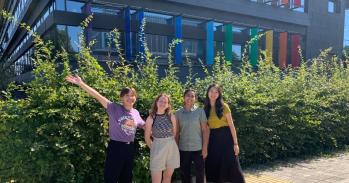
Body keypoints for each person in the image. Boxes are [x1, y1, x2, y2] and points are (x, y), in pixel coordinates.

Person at [65, 75, 145, 183]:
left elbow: (144, 125)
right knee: (111, 177)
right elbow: (97, 96)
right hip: (116, 146)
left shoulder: (136, 113)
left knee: (126, 178)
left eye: (132, 95)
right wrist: (81, 83)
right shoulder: (114, 108)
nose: (130, 98)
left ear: (135, 98)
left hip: (130, 148)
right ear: (121, 98)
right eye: (127, 95)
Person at [204, 84, 245, 183]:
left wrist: (235, 144)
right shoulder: (205, 108)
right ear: (207, 93)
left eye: (216, 92)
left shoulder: (224, 106)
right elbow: (206, 129)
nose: (213, 94)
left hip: (226, 138)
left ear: (219, 94)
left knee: (233, 165)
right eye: (211, 91)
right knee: (215, 165)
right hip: (213, 139)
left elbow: (231, 125)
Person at [175, 89, 209, 183]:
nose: (190, 98)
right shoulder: (178, 113)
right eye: (188, 95)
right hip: (183, 148)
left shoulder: (200, 111)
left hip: (198, 148)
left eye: (192, 96)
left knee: (200, 172)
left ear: (195, 99)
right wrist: (176, 148)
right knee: (184, 173)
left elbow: (205, 130)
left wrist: (205, 147)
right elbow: (177, 132)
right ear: (184, 97)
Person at [144, 93, 180, 183]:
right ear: (156, 102)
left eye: (165, 102)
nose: (162, 103)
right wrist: (153, 148)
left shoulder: (171, 116)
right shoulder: (151, 118)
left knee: (167, 178)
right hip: (157, 147)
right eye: (161, 101)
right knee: (156, 180)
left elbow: (175, 133)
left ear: (168, 104)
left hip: (171, 147)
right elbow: (147, 137)